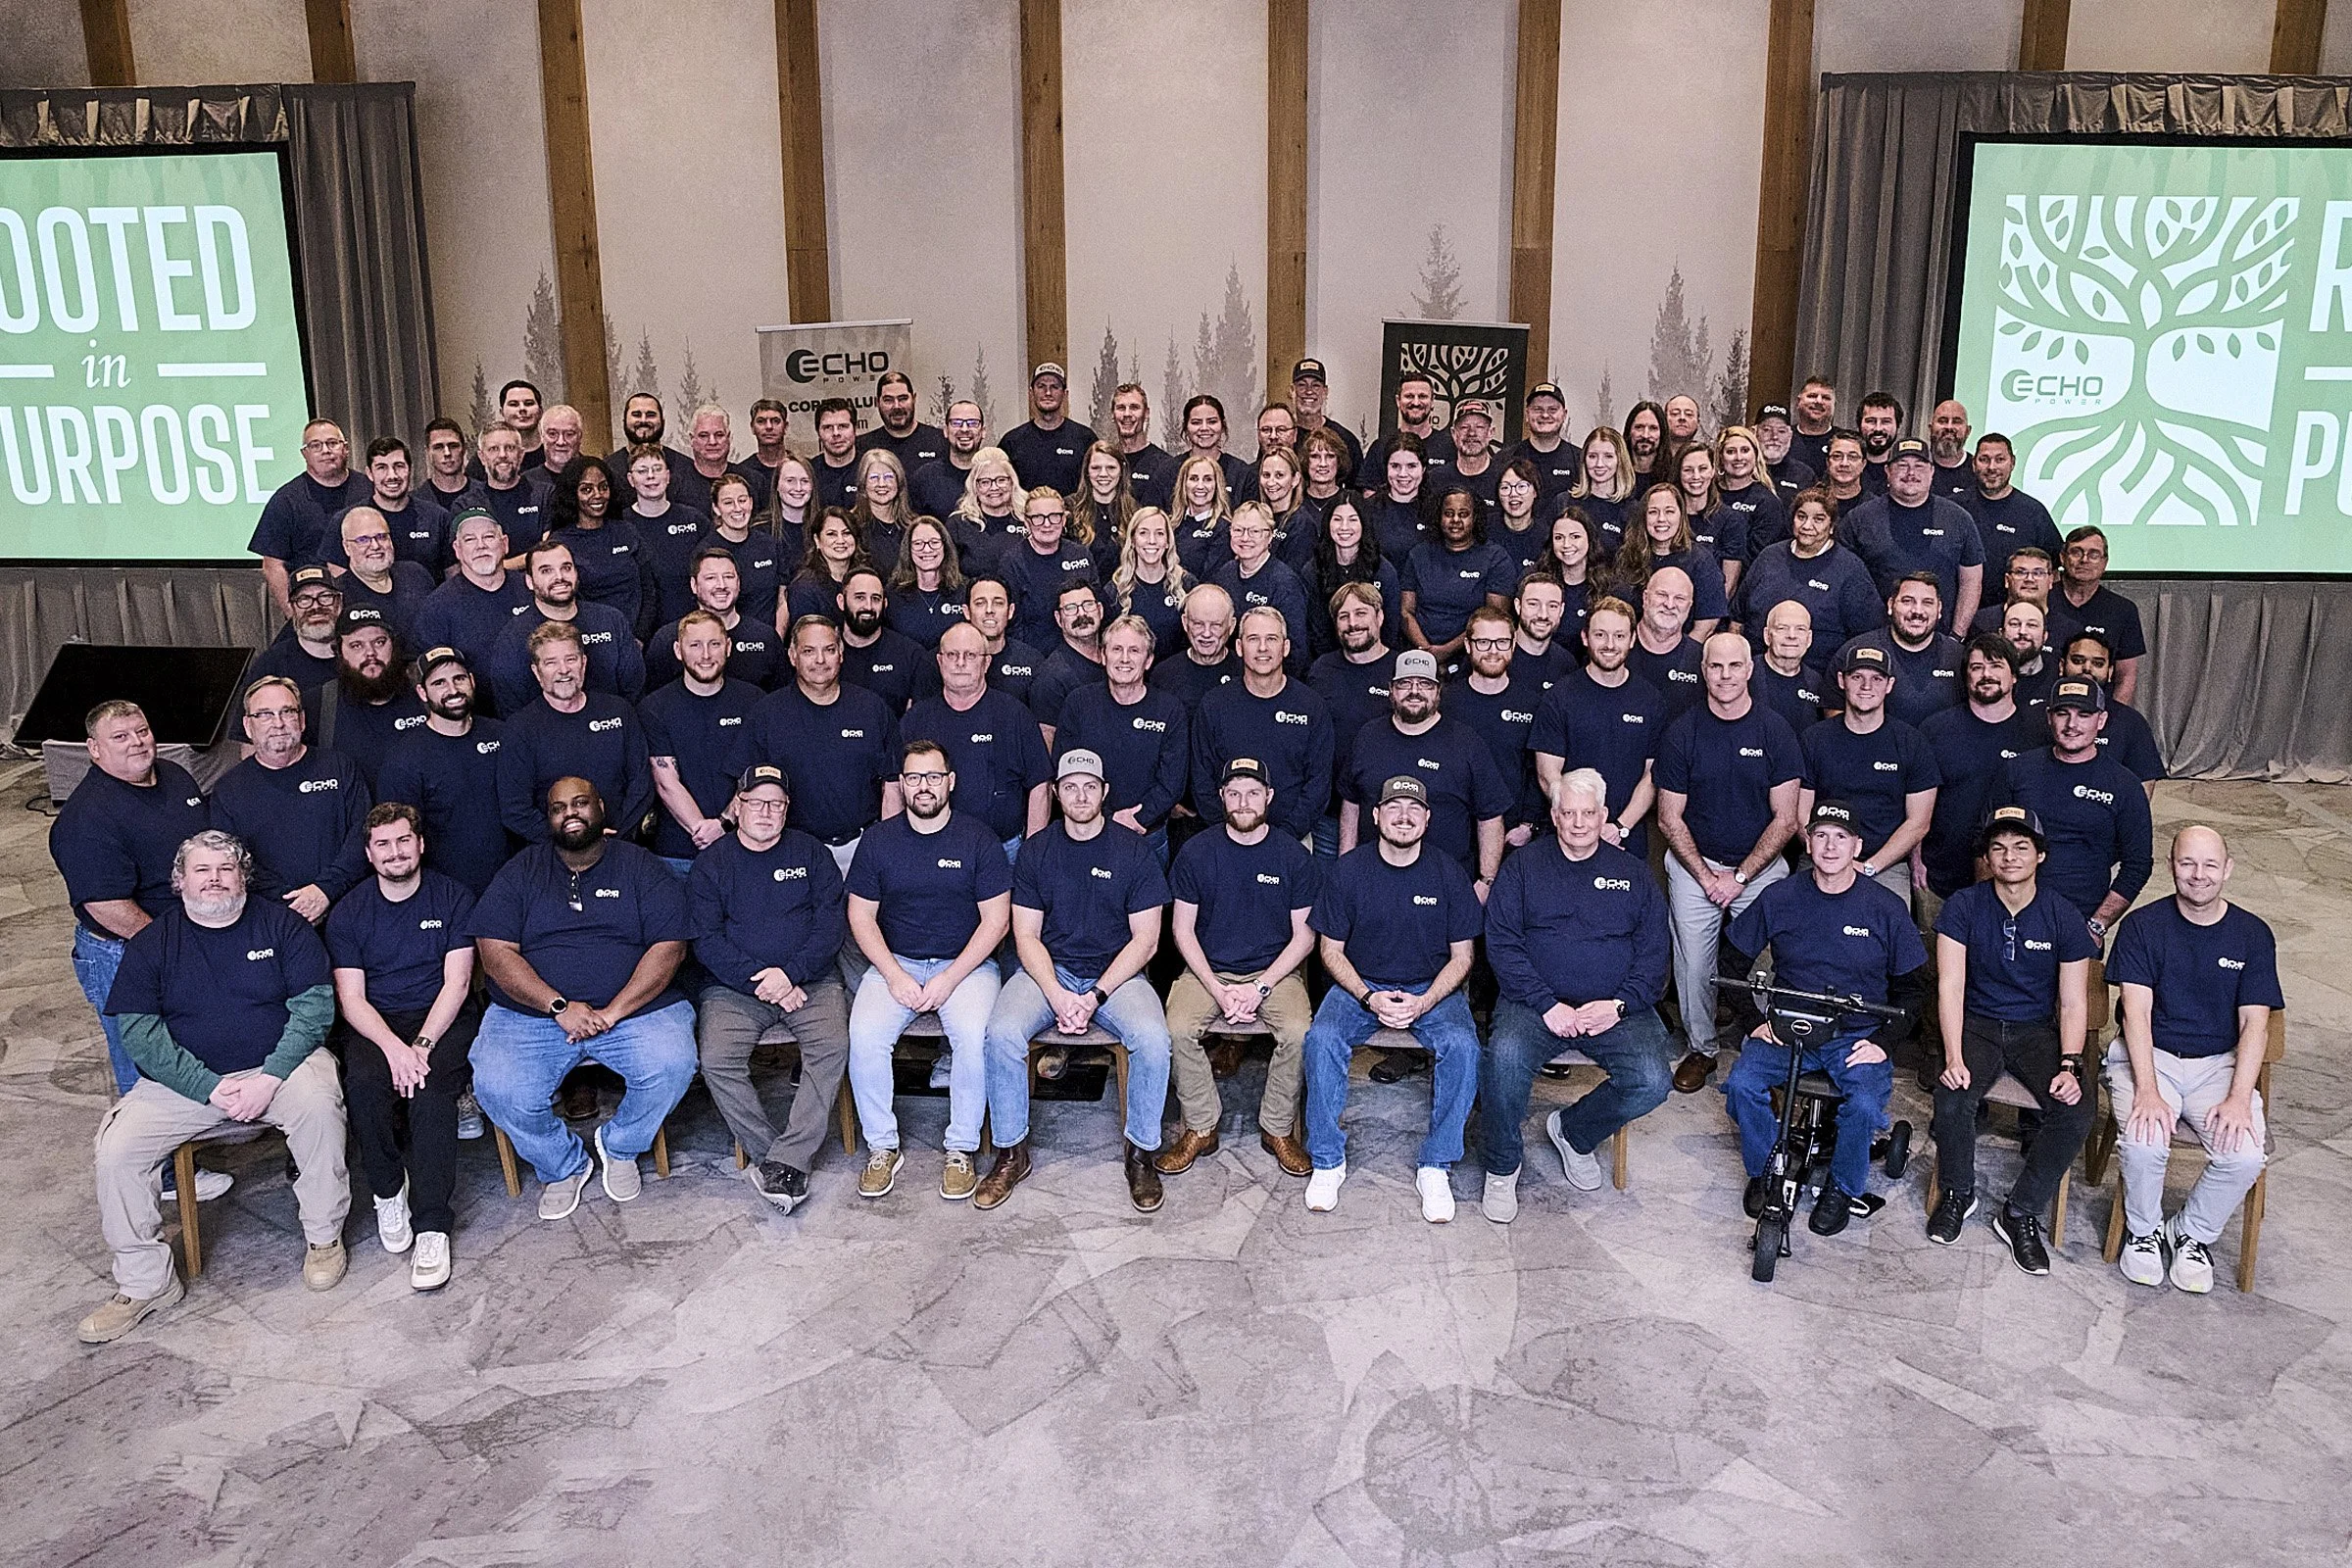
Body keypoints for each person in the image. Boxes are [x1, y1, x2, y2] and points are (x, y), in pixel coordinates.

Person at [80, 829, 349, 1343]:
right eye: (202, 871)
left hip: (280, 1069)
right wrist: (208, 1087)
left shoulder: (284, 927)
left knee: (319, 1102)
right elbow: (139, 1033)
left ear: (243, 876)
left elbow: (314, 1009)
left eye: (226, 869)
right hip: (186, 1084)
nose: (215, 880)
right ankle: (145, 1283)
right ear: (179, 881)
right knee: (117, 1148)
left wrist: (268, 1077)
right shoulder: (153, 943)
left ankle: (323, 1238)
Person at [468, 778, 699, 1216]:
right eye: (557, 808)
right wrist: (559, 1007)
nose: (569, 813)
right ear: (549, 819)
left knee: (673, 1063)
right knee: (497, 1085)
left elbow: (670, 947)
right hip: (534, 1015)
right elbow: (494, 953)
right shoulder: (521, 871)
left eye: (579, 803)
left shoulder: (641, 866)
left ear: (601, 807)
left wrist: (613, 1012)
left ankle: (621, 1145)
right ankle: (562, 1165)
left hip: (632, 1011)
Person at [974, 751, 1173, 1212]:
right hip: (1050, 971)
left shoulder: (1133, 851)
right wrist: (1059, 995)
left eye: (1090, 786)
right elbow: (1025, 935)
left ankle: (1141, 1151)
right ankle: (1011, 1151)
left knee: (1153, 1037)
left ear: (1105, 793)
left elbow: (1146, 941)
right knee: (1001, 1032)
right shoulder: (1037, 850)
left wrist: (1095, 995)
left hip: (1117, 976)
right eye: (1069, 787)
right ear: (1057, 795)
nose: (1080, 795)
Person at [1722, 801, 1928, 1233]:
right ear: (1808, 842)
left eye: (1841, 837)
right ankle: (1765, 1173)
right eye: (1820, 835)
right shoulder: (1781, 897)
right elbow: (1731, 963)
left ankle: (1842, 1187)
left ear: (1858, 846)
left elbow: (1914, 987)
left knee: (1865, 1106)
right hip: (1787, 1027)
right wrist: (1752, 1021)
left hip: (1854, 1035)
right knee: (1742, 1084)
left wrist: (1883, 1044)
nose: (1830, 846)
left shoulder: (1885, 907)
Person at [1476, 767, 1673, 1221]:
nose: (1579, 823)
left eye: (1588, 813)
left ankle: (1573, 1132)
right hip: (1535, 1005)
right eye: (1569, 813)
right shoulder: (1523, 868)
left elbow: (1653, 954)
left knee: (1651, 1080)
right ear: (1555, 815)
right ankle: (1502, 1167)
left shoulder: (1633, 874)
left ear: (1604, 815)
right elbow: (1502, 944)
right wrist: (1547, 1004)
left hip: (1614, 1009)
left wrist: (1619, 1005)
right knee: (1502, 1060)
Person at [2106, 825, 2282, 1294]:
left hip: (2218, 1065)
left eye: (2209, 865)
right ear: (2171, 867)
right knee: (2145, 1141)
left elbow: (2255, 1025)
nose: (2198, 875)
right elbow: (2136, 1015)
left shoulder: (2252, 934)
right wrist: (2146, 1090)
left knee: (2244, 1156)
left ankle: (2190, 1233)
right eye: (2187, 864)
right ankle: (2142, 1232)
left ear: (2227, 870)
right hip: (2150, 1058)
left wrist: (2240, 1098)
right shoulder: (2143, 926)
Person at [1299, 775, 1484, 1222]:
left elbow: (1463, 958)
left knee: (1464, 1047)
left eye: (1414, 809)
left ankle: (1436, 1165)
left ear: (1427, 819)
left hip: (1430, 986)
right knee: (1321, 1040)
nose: (1404, 817)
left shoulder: (1448, 873)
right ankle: (1327, 1160)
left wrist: (1424, 1002)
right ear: (1376, 816)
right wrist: (1367, 996)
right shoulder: (1348, 871)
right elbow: (1330, 950)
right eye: (1394, 808)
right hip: (1360, 984)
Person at [1926, 805, 2096, 1272]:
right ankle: (1959, 1193)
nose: (2009, 856)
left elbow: (2073, 1002)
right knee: (1953, 1096)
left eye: (2021, 846)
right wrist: (1954, 1055)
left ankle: (2020, 1211)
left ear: (2040, 854)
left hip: (2035, 1031)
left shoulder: (2063, 915)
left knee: (2077, 1110)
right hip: (1977, 1024)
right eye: (1998, 847)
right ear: (1987, 857)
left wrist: (2070, 1064)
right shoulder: (1964, 906)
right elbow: (1950, 986)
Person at [843, 740, 1013, 1201]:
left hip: (967, 968)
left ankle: (960, 1149)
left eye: (933, 777)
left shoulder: (978, 839)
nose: (924, 786)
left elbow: (997, 921)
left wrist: (949, 978)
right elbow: (860, 916)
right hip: (895, 962)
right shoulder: (879, 841)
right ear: (901, 783)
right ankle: (882, 1146)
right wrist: (895, 976)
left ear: (950, 782)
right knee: (864, 1036)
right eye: (914, 777)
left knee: (975, 1039)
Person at [324, 804, 480, 1291]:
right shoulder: (349, 912)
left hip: (442, 1016)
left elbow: (456, 984)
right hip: (376, 1022)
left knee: (431, 1094)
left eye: (403, 841)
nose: (396, 853)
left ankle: (432, 1224)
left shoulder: (452, 897)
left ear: (420, 844)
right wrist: (395, 1049)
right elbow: (351, 998)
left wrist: (422, 1046)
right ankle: (388, 1190)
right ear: (369, 855)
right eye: (384, 845)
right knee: (366, 1083)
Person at [689, 763, 854, 1215]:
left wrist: (792, 975)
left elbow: (829, 924)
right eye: (756, 802)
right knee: (717, 1058)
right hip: (735, 989)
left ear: (786, 810)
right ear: (737, 807)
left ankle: (788, 1159)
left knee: (832, 1043)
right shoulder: (712, 865)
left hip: (809, 982)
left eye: (776, 804)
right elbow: (706, 940)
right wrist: (764, 981)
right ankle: (775, 1156)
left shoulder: (810, 852)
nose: (766, 811)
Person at [1156, 758, 1319, 1180]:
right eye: (1234, 793)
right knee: (1176, 1028)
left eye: (1252, 792)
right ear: (1221, 799)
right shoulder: (1197, 851)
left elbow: (1304, 937)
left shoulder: (1291, 855)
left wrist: (1260, 988)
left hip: (1275, 972)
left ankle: (1277, 1129)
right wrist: (1217, 988)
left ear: (1269, 797)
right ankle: (1201, 1126)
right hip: (1208, 970)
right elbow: (1182, 931)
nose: (1243, 802)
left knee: (1299, 1031)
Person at [1655, 633, 1803, 1093]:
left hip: (1758, 869)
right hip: (1694, 864)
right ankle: (1702, 1049)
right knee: (1695, 966)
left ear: (1749, 669)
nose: (1725, 676)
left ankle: (1766, 1044)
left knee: (1768, 962)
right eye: (1716, 667)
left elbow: (1787, 818)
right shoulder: (1683, 731)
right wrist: (1707, 877)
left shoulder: (1774, 730)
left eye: (1734, 666)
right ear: (1703, 670)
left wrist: (1739, 877)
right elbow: (1668, 816)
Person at [50, 700, 214, 1099]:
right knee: (143, 1065)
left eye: (141, 731)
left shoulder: (174, 776)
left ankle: (188, 1159)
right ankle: (158, 1164)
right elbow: (106, 907)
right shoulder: (87, 817)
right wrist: (172, 947)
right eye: (120, 737)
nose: (137, 743)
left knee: (185, 1051)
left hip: (183, 937)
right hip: (121, 952)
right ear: (95, 749)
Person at [1990, 676, 2154, 951]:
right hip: (2011, 920)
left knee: (2079, 995)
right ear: (2049, 717)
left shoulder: (2125, 785)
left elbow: (2138, 864)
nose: (2072, 725)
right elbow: (1985, 844)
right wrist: (1992, 914)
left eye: (2084, 714)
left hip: (2080, 925)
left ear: (2101, 721)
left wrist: (2097, 925)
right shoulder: (2017, 771)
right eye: (2062, 713)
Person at [1339, 649, 1508, 896]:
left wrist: (1486, 881)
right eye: (1405, 683)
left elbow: (1491, 815)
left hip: (1446, 890)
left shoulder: (1467, 743)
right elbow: (1351, 805)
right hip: (1372, 885)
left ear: (1438, 691)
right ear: (1391, 690)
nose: (1414, 691)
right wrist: (1346, 870)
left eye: (1425, 684)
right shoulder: (1367, 736)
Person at [749, 615, 904, 875]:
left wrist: (887, 848)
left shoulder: (872, 709)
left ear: (841, 654)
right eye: (809, 651)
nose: (820, 660)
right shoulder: (766, 714)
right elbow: (749, 790)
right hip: (790, 852)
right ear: (792, 656)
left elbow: (892, 783)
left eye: (829, 650)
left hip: (861, 849)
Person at [209, 675, 371, 921]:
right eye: (264, 715)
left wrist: (325, 891)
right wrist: (294, 904)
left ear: (302, 720)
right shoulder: (228, 790)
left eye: (287, 711)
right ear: (247, 725)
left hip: (349, 907)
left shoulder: (339, 767)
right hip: (274, 919)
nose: (278, 723)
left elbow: (364, 833)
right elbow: (234, 860)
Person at [1796, 644, 1938, 905]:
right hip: (1820, 858)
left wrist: (1870, 866)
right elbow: (1800, 813)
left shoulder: (1911, 743)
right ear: (1841, 681)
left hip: (1885, 866)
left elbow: (1918, 822)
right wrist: (1831, 859)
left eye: (1876, 678)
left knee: (1887, 933)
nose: (1866, 686)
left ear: (1890, 685)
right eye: (1857, 677)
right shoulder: (1814, 739)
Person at [494, 621, 655, 846]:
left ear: (584, 663)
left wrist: (616, 836)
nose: (563, 670)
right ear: (536, 672)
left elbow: (641, 783)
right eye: (551, 662)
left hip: (622, 845)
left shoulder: (619, 711)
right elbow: (515, 809)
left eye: (571, 659)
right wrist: (575, 840)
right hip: (556, 855)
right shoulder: (520, 729)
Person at [903, 623, 1053, 858]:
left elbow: (1040, 785)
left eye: (970, 655)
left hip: (1005, 850)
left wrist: (1032, 855)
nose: (960, 663)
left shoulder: (1015, 715)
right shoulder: (916, 720)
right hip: (927, 850)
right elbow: (893, 787)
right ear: (940, 661)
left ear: (986, 663)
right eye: (952, 655)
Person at [1530, 595, 1663, 856]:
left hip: (1626, 840)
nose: (1610, 645)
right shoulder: (1559, 697)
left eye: (1619, 636)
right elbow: (1548, 775)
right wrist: (1584, 825)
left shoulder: (1651, 700)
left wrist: (1620, 826)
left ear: (1632, 639)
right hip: (1570, 838)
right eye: (1600, 635)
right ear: (1585, 637)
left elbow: (1653, 775)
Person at [1916, 635, 2039, 913]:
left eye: (1996, 666)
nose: (1986, 674)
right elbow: (1915, 802)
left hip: (2016, 886)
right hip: (1939, 878)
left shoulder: (2038, 735)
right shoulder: (1935, 730)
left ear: (2014, 676)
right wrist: (1916, 860)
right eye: (1976, 667)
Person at [1194, 606, 1335, 848]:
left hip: (1292, 843)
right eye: (1253, 639)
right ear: (1238, 647)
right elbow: (1202, 779)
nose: (1262, 648)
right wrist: (1231, 831)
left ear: (1286, 647)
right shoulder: (1214, 705)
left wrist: (1284, 837)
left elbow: (1318, 785)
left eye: (1271, 639)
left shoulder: (1312, 707)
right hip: (1226, 841)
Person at [1052, 614, 1188, 854]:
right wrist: (1107, 817)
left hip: (1148, 836)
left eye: (1134, 650)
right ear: (1103, 656)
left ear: (1148, 660)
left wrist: (1140, 817)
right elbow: (1064, 769)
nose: (1124, 659)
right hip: (1089, 832)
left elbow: (1173, 781)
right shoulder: (1078, 704)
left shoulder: (1169, 710)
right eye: (1117, 649)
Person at [379, 646, 511, 895]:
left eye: (459, 679)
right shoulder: (404, 758)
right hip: (447, 894)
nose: (452, 690)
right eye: (439, 683)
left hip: (514, 885)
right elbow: (399, 836)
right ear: (422, 692)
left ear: (472, 681)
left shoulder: (503, 735)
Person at [639, 612, 763, 871]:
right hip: (677, 853)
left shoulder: (754, 701)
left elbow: (757, 774)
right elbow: (666, 782)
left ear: (728, 647)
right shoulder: (654, 708)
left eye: (714, 644)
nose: (705, 655)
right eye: (695, 645)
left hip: (745, 848)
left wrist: (723, 824)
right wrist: (703, 830)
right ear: (678, 650)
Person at [1838, 438, 1985, 634]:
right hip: (1872, 639)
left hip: (1939, 641)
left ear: (1932, 472)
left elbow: (1972, 582)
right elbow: (1843, 582)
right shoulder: (1859, 519)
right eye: (1902, 466)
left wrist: (1957, 636)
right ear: (1888, 471)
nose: (1911, 473)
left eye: (1919, 466)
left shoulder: (1958, 518)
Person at [486, 538, 648, 715]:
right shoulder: (512, 638)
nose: (559, 577)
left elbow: (634, 690)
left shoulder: (611, 620)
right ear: (530, 582)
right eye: (546, 571)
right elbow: (512, 711)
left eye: (566, 568)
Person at [1306, 580, 1399, 856]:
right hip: (1328, 817)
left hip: (1387, 818)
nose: (1352, 623)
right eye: (1343, 616)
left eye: (1361, 613)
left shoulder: (1402, 673)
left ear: (1380, 617)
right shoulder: (1321, 671)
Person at [1736, 488, 1881, 656]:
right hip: (1758, 667)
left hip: (1820, 674)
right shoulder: (1769, 557)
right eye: (1801, 517)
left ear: (1832, 526)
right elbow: (1737, 620)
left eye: (1818, 519)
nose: (1807, 526)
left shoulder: (1850, 570)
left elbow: (1867, 635)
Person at [1447, 604, 1546, 847]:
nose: (1493, 651)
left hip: (1512, 835)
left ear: (1513, 646)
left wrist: (1528, 824)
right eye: (1483, 642)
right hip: (1455, 830)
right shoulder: (1446, 702)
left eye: (1502, 642)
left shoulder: (1532, 705)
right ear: (1468, 646)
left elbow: (1539, 771)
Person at [250, 417, 370, 610]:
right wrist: (292, 614)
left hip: (368, 599)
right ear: (304, 453)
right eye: (316, 445)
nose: (325, 450)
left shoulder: (369, 489)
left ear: (346, 448)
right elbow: (272, 565)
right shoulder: (286, 500)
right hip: (315, 606)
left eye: (332, 443)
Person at [304, 612, 428, 794]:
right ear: (339, 651)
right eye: (356, 645)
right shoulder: (319, 706)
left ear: (393, 645)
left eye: (379, 642)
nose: (370, 653)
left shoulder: (424, 694)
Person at [412, 510, 534, 688]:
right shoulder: (437, 607)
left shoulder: (532, 588)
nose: (480, 545)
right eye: (470, 539)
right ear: (457, 550)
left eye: (489, 537)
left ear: (505, 544)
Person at [1402, 488, 1515, 671]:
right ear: (1439, 517)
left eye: (1463, 514)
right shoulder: (1419, 554)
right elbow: (1406, 612)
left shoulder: (1495, 558)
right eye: (1448, 514)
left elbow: (1492, 620)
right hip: (1418, 653)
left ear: (1475, 518)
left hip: (1471, 658)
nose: (1455, 520)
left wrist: (1444, 652)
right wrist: (1426, 653)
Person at [1835, 573, 1965, 731]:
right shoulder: (1855, 651)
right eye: (1907, 601)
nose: (1917, 611)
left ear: (1939, 609)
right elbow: (1834, 710)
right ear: (1890, 605)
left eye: (1927, 603)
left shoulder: (1959, 657)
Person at [645, 547, 783, 691]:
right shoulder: (668, 639)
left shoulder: (765, 637)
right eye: (711, 578)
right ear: (694, 585)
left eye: (728, 577)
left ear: (739, 583)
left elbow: (779, 700)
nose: (721, 585)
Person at [542, 456, 654, 635]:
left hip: (635, 638)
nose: (598, 495)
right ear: (573, 493)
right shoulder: (560, 542)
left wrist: (640, 637)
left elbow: (649, 589)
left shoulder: (626, 531)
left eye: (603, 487)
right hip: (587, 641)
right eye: (586, 489)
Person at [2047, 526, 2146, 706]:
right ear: (2062, 557)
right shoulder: (2040, 602)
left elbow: (2126, 676)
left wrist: (2113, 718)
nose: (2084, 560)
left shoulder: (2123, 610)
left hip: (2098, 712)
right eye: (2076, 552)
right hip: (2043, 706)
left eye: (2093, 555)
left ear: (2104, 563)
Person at [1211, 501, 1313, 672]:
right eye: (1238, 530)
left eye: (1255, 531)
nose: (1245, 538)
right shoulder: (1225, 574)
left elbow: (1296, 651)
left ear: (1270, 536)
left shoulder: (1285, 583)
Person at [621, 440, 711, 629]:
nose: (651, 476)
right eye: (642, 471)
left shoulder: (695, 520)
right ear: (631, 479)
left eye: (657, 468)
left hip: (692, 625)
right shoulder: (620, 526)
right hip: (641, 630)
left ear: (668, 476)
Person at [1960, 432, 2063, 592]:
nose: (1991, 467)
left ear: (2012, 463)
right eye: (1984, 459)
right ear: (1974, 464)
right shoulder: (1954, 508)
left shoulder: (2033, 512)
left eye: (2000, 460)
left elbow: (2053, 570)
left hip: (2017, 613)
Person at [1002, 487, 1101, 651]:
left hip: (1082, 650)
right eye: (1038, 518)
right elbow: (1013, 625)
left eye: (1054, 516)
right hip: (1035, 655)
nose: (1047, 524)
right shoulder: (1012, 562)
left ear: (1063, 519)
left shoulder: (1080, 554)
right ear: (1026, 522)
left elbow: (1096, 608)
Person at [2060, 632, 2164, 789]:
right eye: (2078, 661)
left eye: (2098, 663)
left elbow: (2143, 788)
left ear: (2110, 672)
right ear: (2062, 666)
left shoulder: (2132, 723)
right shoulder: (2039, 715)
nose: (2087, 668)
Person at [1304, 496, 1401, 659]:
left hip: (1376, 658)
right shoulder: (1312, 571)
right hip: (1330, 660)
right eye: (1337, 519)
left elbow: (1390, 628)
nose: (1344, 527)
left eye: (1352, 520)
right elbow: (1316, 630)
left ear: (1364, 524)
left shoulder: (1383, 570)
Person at [329, 504, 436, 649]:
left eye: (381, 537)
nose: (375, 546)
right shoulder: (337, 595)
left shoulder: (417, 574)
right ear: (347, 547)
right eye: (363, 540)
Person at [699, 470, 786, 625]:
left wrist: (775, 639)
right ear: (716, 508)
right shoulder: (706, 551)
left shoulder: (769, 544)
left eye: (742, 500)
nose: (737, 508)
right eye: (728, 502)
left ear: (751, 503)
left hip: (767, 640)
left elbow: (782, 599)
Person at [838, 566, 928, 713]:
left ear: (885, 604)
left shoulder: (910, 655)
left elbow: (918, 719)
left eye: (875, 599)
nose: (868, 606)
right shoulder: (826, 654)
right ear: (841, 602)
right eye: (860, 597)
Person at [999, 363, 1099, 496]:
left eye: (1054, 387)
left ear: (1065, 394)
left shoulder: (1085, 438)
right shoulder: (1012, 441)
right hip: (1025, 516)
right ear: (1031, 392)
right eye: (1041, 386)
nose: (1048, 393)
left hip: (1074, 516)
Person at [246, 564, 344, 699]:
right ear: (292, 607)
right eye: (304, 599)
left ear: (339, 602)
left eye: (325, 597)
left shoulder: (361, 656)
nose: (315, 606)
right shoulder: (271, 665)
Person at [1026, 580, 1108, 734]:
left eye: (1088, 604)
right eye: (1070, 608)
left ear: (1100, 610)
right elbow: (1047, 741)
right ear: (1059, 619)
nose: (1082, 614)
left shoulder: (1116, 660)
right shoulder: (1050, 679)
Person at [1627, 567, 1704, 722]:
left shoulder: (1702, 659)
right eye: (1662, 595)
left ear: (1689, 606)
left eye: (1680, 598)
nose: (1670, 605)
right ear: (1645, 598)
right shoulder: (1615, 651)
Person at [1112, 506, 1192, 657]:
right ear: (1133, 541)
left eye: (1160, 533)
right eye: (1143, 533)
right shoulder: (1116, 589)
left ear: (1168, 541)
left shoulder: (1186, 584)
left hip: (1175, 675)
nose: (1152, 541)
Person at [887, 515, 969, 652]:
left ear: (945, 546)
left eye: (934, 542)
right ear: (908, 549)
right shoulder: (892, 593)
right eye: (918, 543)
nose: (926, 550)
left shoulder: (965, 590)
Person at [1752, 600, 1828, 735]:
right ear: (1767, 635)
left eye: (1800, 629)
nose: (1791, 636)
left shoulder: (1817, 683)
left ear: (1809, 638)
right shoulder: (1746, 674)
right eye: (1782, 628)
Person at [911, 399, 988, 521]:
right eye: (956, 423)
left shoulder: (995, 478)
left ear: (983, 431)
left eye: (973, 423)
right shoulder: (925, 478)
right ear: (946, 431)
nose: (964, 429)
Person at [1107, 381, 1180, 511]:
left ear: (1146, 413)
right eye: (1121, 408)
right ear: (1113, 414)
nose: (1127, 414)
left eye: (1134, 407)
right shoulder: (1105, 462)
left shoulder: (1164, 465)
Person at [858, 370, 948, 474]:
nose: (896, 406)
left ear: (914, 399)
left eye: (903, 399)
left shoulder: (940, 441)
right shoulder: (863, 446)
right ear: (877, 403)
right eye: (888, 400)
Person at [1289, 358, 1364, 481]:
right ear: (1292, 390)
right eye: (1302, 385)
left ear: (1325, 392)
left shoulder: (1345, 439)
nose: (1309, 391)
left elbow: (1357, 490)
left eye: (1316, 386)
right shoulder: (1284, 436)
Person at [475, 423, 547, 553]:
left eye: (510, 448)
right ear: (482, 457)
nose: (502, 455)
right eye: (494, 449)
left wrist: (499, 567)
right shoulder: (467, 503)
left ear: (521, 455)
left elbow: (547, 550)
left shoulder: (544, 495)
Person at [1507, 380, 1580, 501]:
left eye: (1552, 409)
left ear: (1564, 415)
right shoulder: (1506, 459)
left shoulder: (1579, 460)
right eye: (1538, 409)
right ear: (1527, 414)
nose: (1545, 415)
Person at [419, 418, 487, 515]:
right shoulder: (416, 500)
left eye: (453, 446)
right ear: (428, 452)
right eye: (438, 447)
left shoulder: (486, 494)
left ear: (464, 449)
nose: (447, 453)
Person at [807, 399, 863, 512]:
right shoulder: (808, 473)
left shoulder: (870, 468)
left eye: (843, 426)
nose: (836, 433)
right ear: (818, 432)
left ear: (855, 428)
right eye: (828, 427)